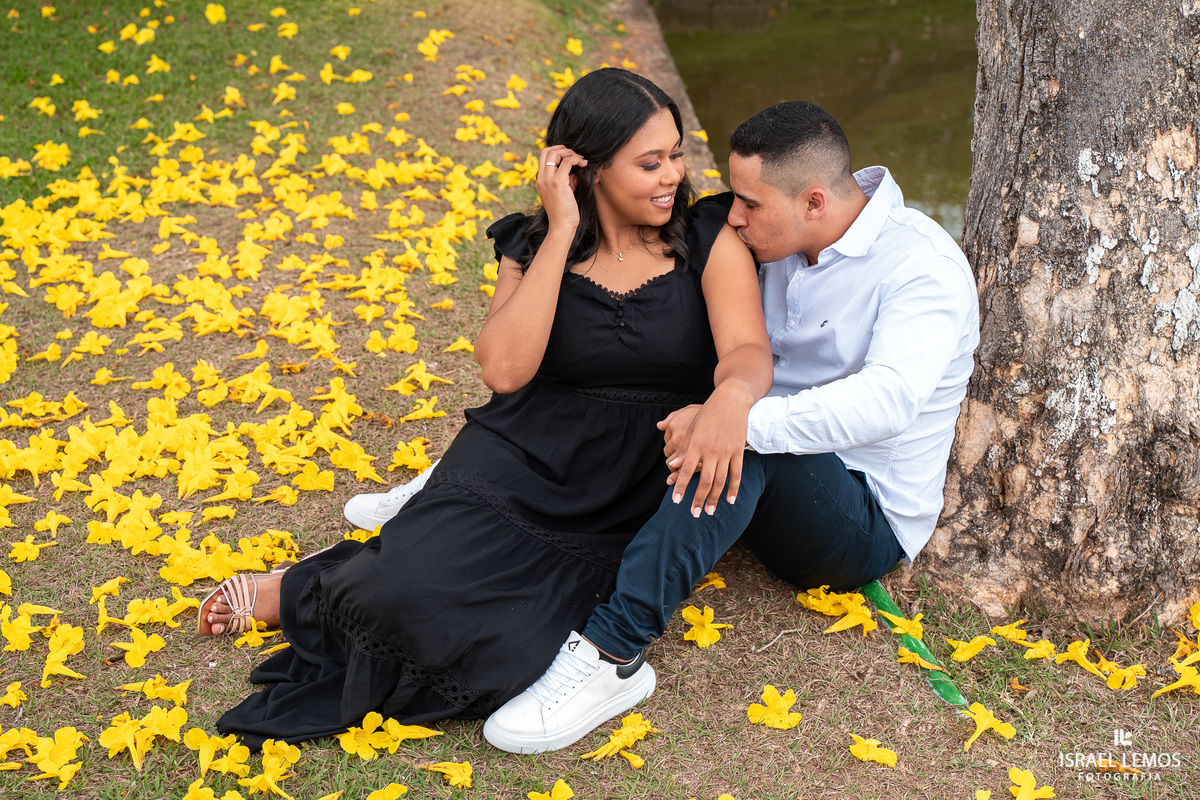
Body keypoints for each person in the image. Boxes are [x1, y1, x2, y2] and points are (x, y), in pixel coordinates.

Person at [197, 68, 772, 749]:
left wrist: (730, 397)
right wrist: (561, 230)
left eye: (676, 154)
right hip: (521, 456)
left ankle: (340, 571)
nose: (674, 174)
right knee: (399, 595)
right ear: (585, 170)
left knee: (506, 644)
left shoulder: (708, 236)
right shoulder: (533, 243)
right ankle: (319, 583)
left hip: (628, 481)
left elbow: (745, 351)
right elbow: (505, 370)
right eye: (651, 162)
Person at [482, 100, 981, 753]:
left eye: (748, 204)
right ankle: (490, 470)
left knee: (752, 440)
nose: (733, 217)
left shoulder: (922, 268)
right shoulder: (777, 232)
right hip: (756, 450)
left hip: (859, 517)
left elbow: (886, 402)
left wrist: (737, 421)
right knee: (654, 342)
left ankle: (611, 657)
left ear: (813, 203)